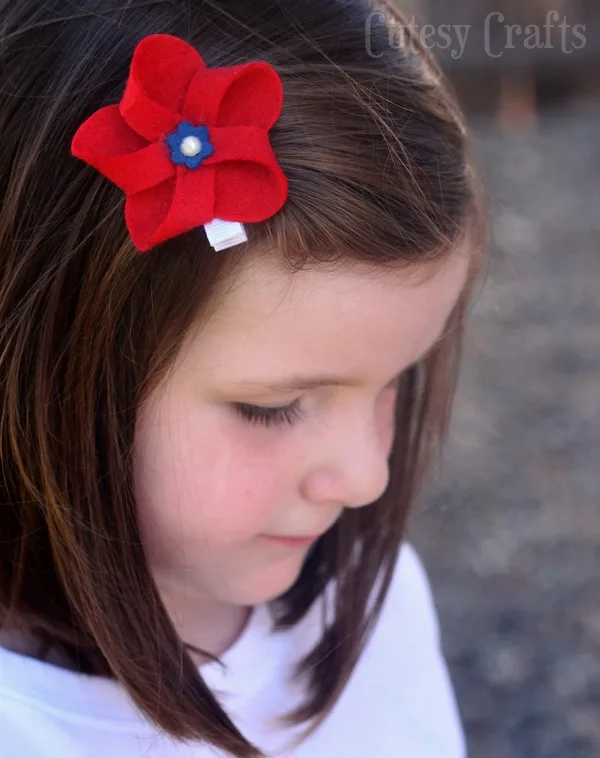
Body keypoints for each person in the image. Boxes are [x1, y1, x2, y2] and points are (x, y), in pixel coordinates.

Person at [0, 1, 486, 756]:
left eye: (399, 377)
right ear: (49, 365)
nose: (367, 478)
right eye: (276, 408)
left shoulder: (369, 603)